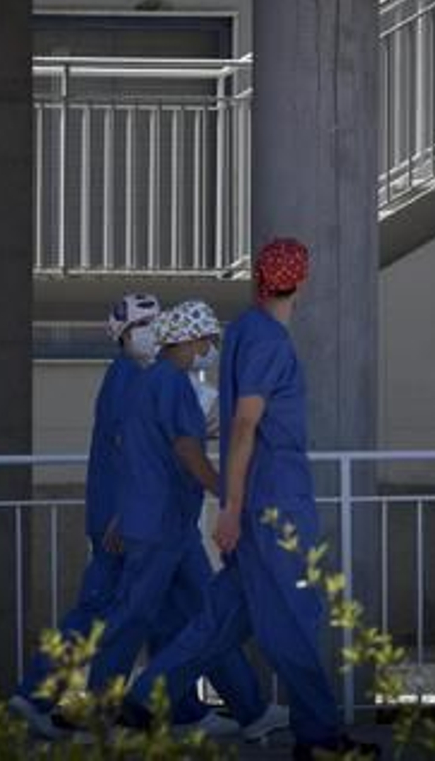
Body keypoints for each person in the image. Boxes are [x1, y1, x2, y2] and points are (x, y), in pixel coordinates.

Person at [122, 240, 380, 759]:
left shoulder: (242, 332)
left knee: (223, 619)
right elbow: (244, 425)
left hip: (260, 502)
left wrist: (235, 505)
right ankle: (319, 737)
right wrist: (232, 507)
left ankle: (145, 699)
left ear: (261, 279)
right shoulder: (271, 344)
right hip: (274, 504)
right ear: (300, 282)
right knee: (297, 616)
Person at [83, 300, 288, 741]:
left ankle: (250, 711)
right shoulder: (171, 384)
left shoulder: (145, 383)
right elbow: (185, 450)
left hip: (159, 523)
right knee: (134, 618)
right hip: (161, 528)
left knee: (203, 618)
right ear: (192, 339)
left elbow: (135, 454)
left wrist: (122, 512)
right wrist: (227, 492)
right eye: (210, 341)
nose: (211, 349)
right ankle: (105, 715)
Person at [7, 293, 160, 739]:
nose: (153, 330)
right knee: (106, 611)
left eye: (156, 321)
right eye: (144, 324)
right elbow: (128, 450)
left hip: (119, 513)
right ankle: (56, 698)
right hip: (123, 519)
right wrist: (125, 512)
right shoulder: (130, 377)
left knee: (118, 610)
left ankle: (56, 698)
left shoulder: (126, 376)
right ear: (123, 335)